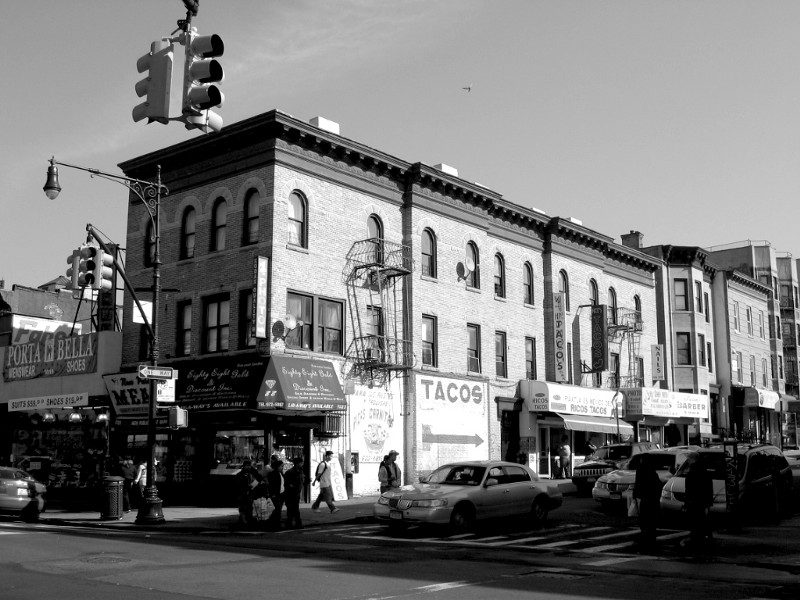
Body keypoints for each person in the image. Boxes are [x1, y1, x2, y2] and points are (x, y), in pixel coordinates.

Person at [684, 452, 714, 547]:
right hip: (700, 500)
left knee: (696, 519)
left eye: (689, 458)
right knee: (701, 518)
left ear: (693, 460)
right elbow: (708, 487)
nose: (688, 460)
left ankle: (697, 537)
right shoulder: (703, 470)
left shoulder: (693, 471)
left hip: (695, 500)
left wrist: (688, 500)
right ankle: (703, 535)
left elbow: (690, 488)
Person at [632, 453, 663, 546]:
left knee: (644, 520)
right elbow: (658, 485)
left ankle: (645, 538)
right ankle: (651, 538)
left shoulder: (641, 470)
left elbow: (638, 484)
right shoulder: (653, 472)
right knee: (651, 521)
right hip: (652, 499)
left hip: (645, 499)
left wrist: (636, 495)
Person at [236, 459, 263, 526]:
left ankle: (246, 519)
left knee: (248, 507)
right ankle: (244, 520)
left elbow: (257, 477)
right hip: (243, 493)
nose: (249, 467)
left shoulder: (250, 473)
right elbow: (240, 485)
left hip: (249, 493)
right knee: (243, 507)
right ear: (244, 466)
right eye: (247, 466)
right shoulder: (241, 475)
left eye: (249, 466)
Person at [283, 456, 305, 529]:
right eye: (301, 463)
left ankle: (293, 524)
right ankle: (294, 524)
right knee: (292, 509)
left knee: (294, 509)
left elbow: (301, 481)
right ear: (297, 464)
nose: (302, 464)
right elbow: (287, 484)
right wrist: (292, 486)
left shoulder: (300, 471)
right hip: (291, 493)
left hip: (296, 493)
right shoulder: (290, 472)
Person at [266, 460, 285, 529]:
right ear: (277, 466)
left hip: (281, 493)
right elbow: (271, 485)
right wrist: (273, 494)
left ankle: (274, 523)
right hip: (276, 494)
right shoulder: (273, 474)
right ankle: (275, 523)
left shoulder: (281, 473)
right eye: (281, 466)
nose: (282, 467)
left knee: (278, 509)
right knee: (277, 509)